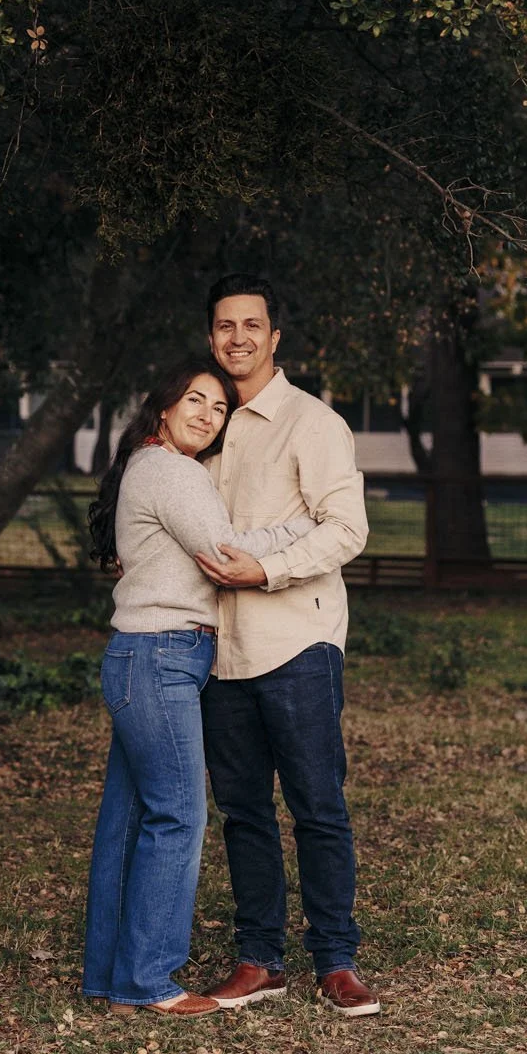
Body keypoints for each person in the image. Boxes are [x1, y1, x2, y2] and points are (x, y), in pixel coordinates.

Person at [81, 360, 315, 1016]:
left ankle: (112, 978)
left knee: (128, 823)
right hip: (161, 658)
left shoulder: (151, 467)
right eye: (195, 399)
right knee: (178, 817)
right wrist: (302, 528)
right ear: (163, 406)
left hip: (142, 658)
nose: (208, 414)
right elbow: (226, 552)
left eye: (219, 407)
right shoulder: (170, 470)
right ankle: (150, 981)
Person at [192, 276, 378, 1015]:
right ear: (212, 338)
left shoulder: (313, 423)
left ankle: (336, 960)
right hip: (218, 650)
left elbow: (347, 528)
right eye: (224, 325)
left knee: (317, 805)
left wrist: (266, 568)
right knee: (242, 811)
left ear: (274, 339)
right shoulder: (200, 425)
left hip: (297, 640)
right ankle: (258, 959)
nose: (237, 336)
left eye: (251, 325)